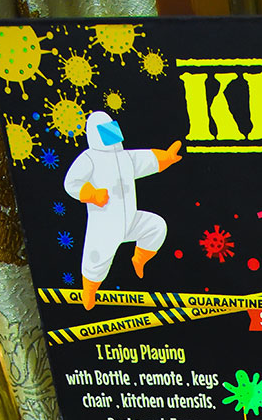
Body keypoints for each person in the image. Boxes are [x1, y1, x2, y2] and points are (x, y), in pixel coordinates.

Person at [63, 111, 181, 311]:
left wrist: (166, 158)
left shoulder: (125, 157)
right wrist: (91, 194)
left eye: (112, 129)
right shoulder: (89, 158)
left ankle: (140, 259)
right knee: (96, 260)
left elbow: (147, 160)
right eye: (106, 131)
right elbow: (71, 182)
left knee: (156, 226)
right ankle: (89, 291)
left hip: (131, 220)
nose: (112, 135)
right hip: (105, 226)